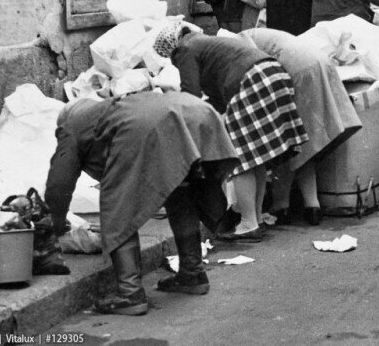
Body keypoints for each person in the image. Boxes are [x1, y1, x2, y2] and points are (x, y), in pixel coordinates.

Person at [45, 92, 240, 315]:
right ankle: (192, 272)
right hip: (196, 112)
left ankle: (129, 293)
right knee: (181, 192)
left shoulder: (70, 124)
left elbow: (58, 185)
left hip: (157, 123)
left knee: (118, 203)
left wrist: (56, 225)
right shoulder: (111, 110)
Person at [156, 23, 308, 241]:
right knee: (257, 158)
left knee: (241, 157)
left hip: (250, 81)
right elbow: (216, 96)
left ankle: (248, 223)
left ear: (170, 48)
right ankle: (255, 219)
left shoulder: (185, 49)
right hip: (272, 73)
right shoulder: (206, 42)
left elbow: (191, 95)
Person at [235, 28, 362, 225]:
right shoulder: (261, 33)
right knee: (306, 142)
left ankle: (281, 204)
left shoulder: (240, 39)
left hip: (297, 69)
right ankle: (313, 206)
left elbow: (253, 67)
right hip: (320, 63)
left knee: (290, 142)